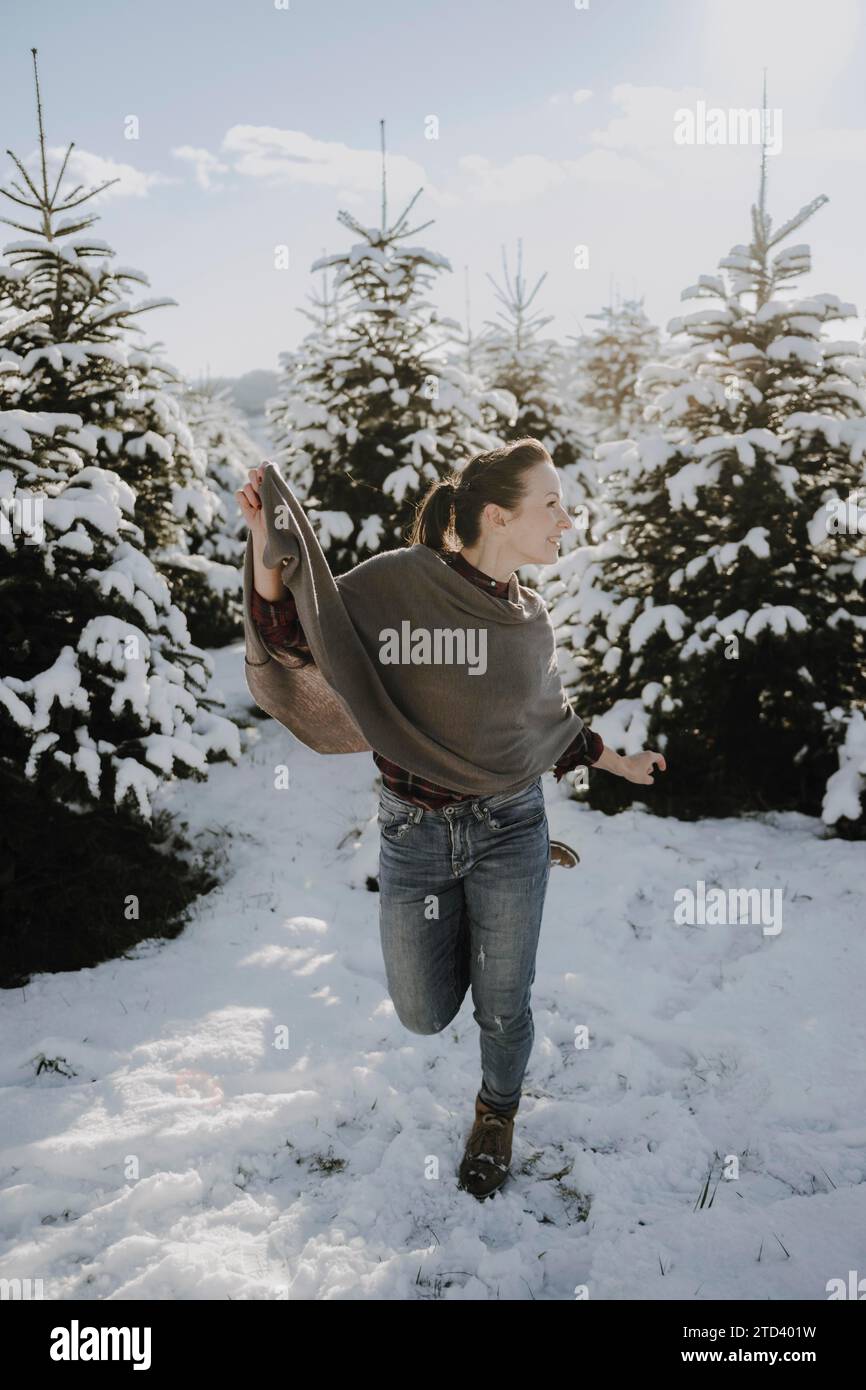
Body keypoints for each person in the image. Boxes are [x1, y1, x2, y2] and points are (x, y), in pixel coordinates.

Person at [236, 438, 666, 1200]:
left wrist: (616, 762)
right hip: (415, 834)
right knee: (423, 1012)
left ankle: (496, 1115)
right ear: (499, 516)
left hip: (510, 827)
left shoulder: (528, 616)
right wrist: (271, 555)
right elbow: (299, 635)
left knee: (504, 1008)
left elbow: (542, 718)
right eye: (552, 505)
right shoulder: (403, 585)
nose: (566, 518)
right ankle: (485, 929)